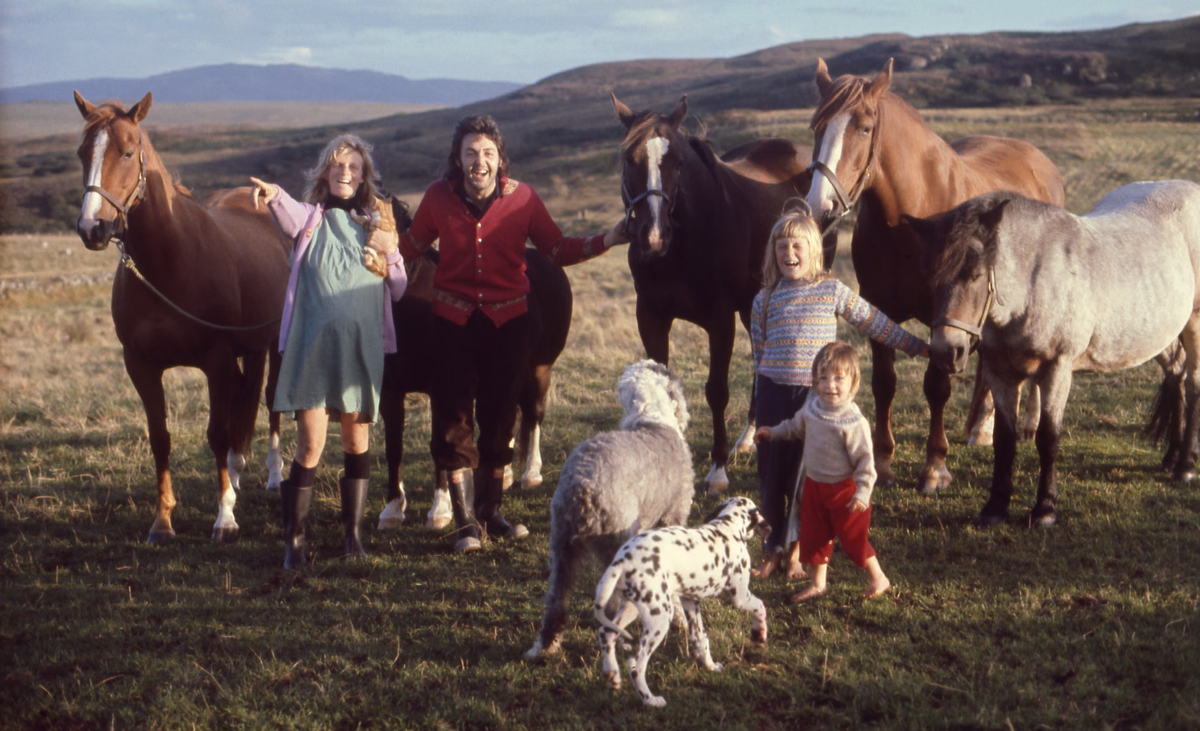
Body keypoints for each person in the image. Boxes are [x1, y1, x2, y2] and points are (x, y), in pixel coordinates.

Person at [401, 114, 628, 553]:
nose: (478, 161)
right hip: (451, 323)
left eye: (487, 153)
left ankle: (490, 512)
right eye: (470, 153)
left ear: (499, 158)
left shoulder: (523, 198)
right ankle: (465, 522)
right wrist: (379, 246)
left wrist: (609, 238)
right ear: (458, 158)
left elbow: (557, 249)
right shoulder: (437, 197)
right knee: (453, 421)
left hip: (510, 325)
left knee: (502, 417)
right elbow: (410, 246)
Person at [249, 133, 408, 569]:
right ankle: (294, 543)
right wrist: (272, 193)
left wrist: (391, 255)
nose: (345, 173)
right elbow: (287, 211)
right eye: (338, 165)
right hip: (313, 350)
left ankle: (352, 538)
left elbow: (398, 290)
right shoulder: (311, 220)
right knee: (309, 446)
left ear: (364, 176)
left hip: (359, 350)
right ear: (325, 172)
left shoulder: (377, 224)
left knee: (357, 442)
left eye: (354, 167)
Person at [749, 202, 927, 579]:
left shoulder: (830, 290)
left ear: (813, 250)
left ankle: (796, 552)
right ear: (773, 252)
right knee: (771, 477)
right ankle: (772, 550)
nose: (789, 254)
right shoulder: (763, 300)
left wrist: (914, 344)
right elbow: (758, 354)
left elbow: (871, 320)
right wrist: (757, 406)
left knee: (803, 479)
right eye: (781, 246)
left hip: (815, 401)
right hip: (771, 393)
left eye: (797, 246)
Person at [755, 341, 890, 601]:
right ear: (815, 382)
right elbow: (795, 427)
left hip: (845, 491)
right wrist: (772, 432)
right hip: (815, 486)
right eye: (823, 378)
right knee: (814, 536)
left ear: (854, 382)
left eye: (839, 378)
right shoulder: (813, 408)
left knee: (853, 539)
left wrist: (862, 492)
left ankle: (878, 577)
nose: (831, 385)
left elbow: (865, 462)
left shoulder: (853, 422)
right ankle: (818, 584)